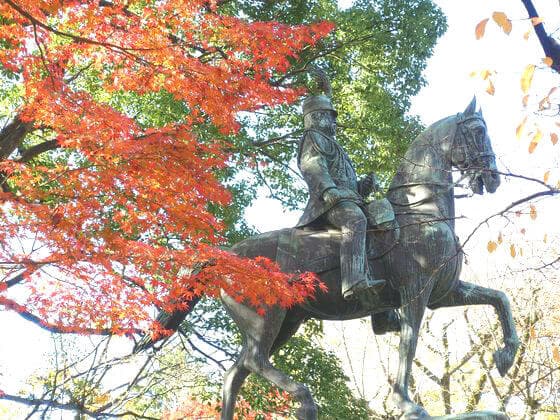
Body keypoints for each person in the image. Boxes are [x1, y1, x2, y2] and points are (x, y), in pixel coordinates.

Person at [295, 94, 385, 300]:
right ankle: (353, 282)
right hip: (327, 205)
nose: (335, 122)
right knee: (355, 220)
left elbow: (346, 181)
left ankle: (381, 309)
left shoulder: (334, 145)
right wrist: (328, 189)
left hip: (348, 199)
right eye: (330, 116)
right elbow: (313, 165)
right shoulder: (312, 137)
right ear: (316, 117)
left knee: (382, 231)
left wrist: (364, 186)